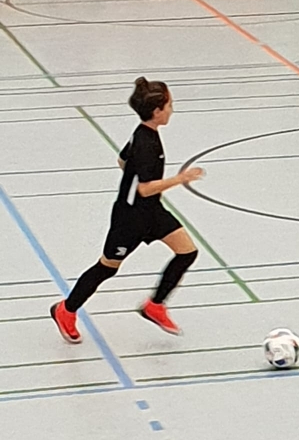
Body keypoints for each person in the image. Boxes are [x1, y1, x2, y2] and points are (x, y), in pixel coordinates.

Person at [50, 77, 204, 344]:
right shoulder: (146, 143)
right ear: (156, 111)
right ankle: (66, 310)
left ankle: (155, 306)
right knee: (107, 268)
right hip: (129, 219)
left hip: (152, 212)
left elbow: (121, 160)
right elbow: (145, 188)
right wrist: (180, 179)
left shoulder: (143, 134)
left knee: (187, 252)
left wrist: (133, 175)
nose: (172, 109)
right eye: (169, 105)